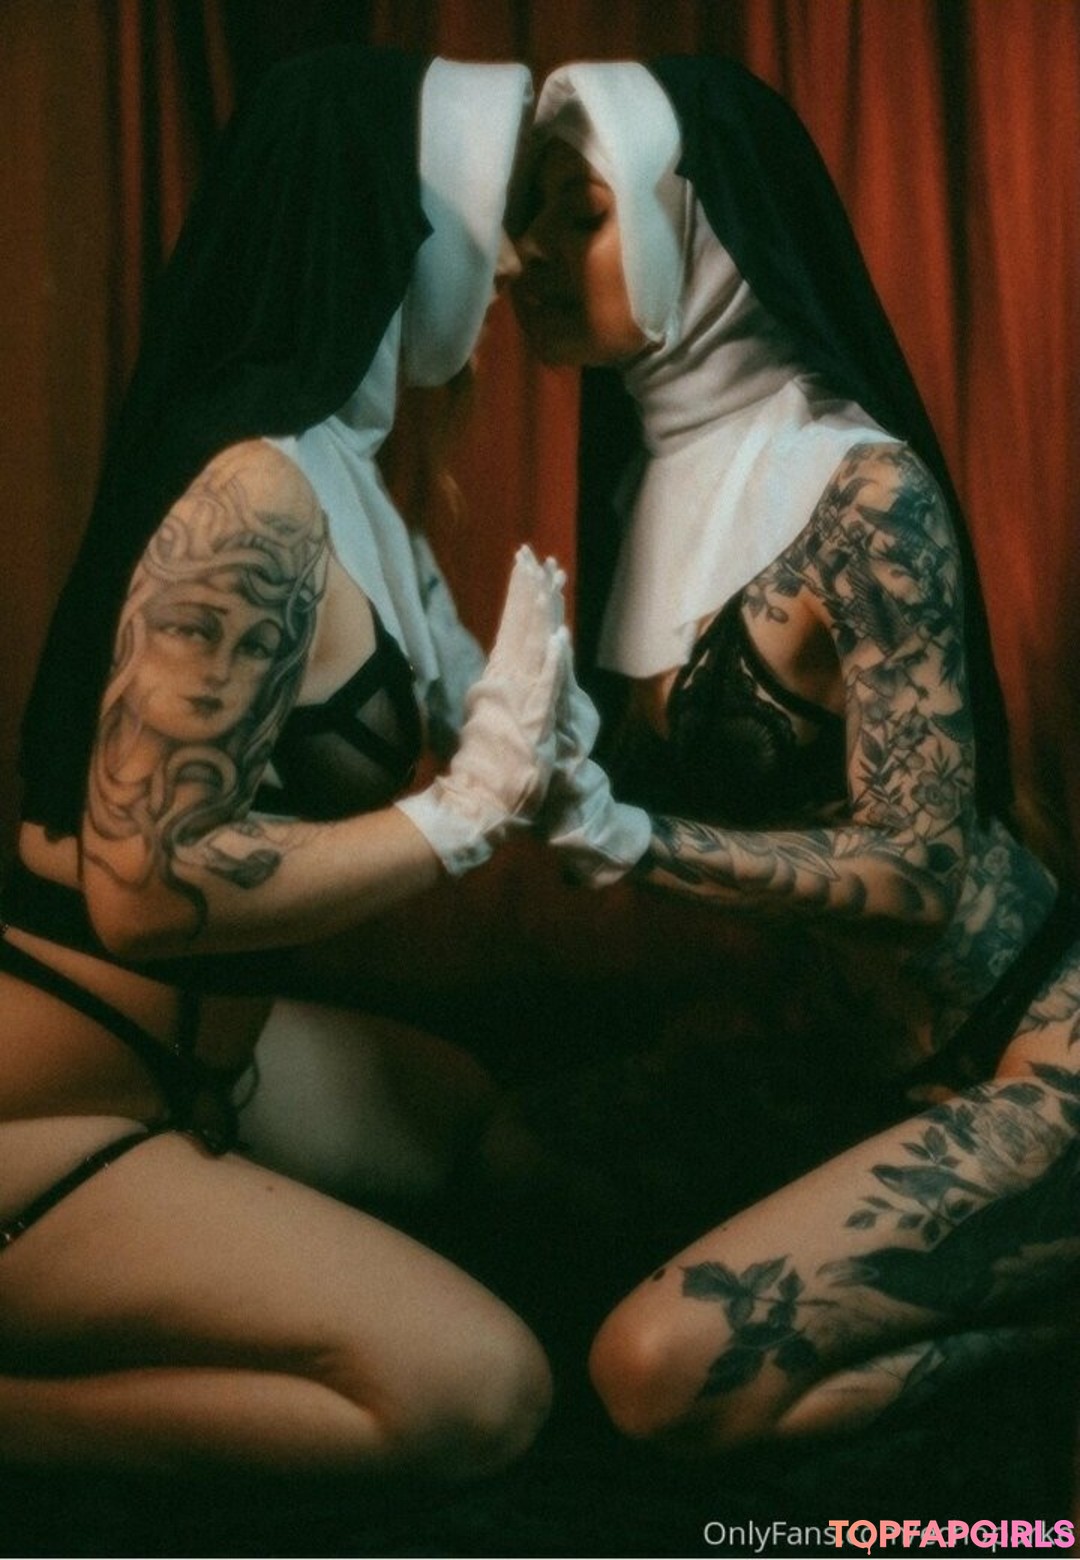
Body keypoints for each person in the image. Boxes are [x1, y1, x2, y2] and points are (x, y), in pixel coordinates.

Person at [0, 46, 568, 1481]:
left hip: (205, 1056)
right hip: (50, 1096)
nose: (513, 263)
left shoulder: (338, 471)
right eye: (492, 215)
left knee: (486, 1125)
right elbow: (141, 891)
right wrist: (461, 815)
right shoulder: (254, 489)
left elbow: (496, 726)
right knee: (480, 1395)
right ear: (395, 224)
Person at [512, 57, 1080, 1447]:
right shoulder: (645, 478)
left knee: (654, 1373)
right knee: (510, 1168)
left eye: (581, 214)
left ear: (698, 233)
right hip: (843, 1059)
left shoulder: (860, 489)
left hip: (1033, 1050)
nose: (525, 253)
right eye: (525, 215)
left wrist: (630, 836)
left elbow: (920, 879)